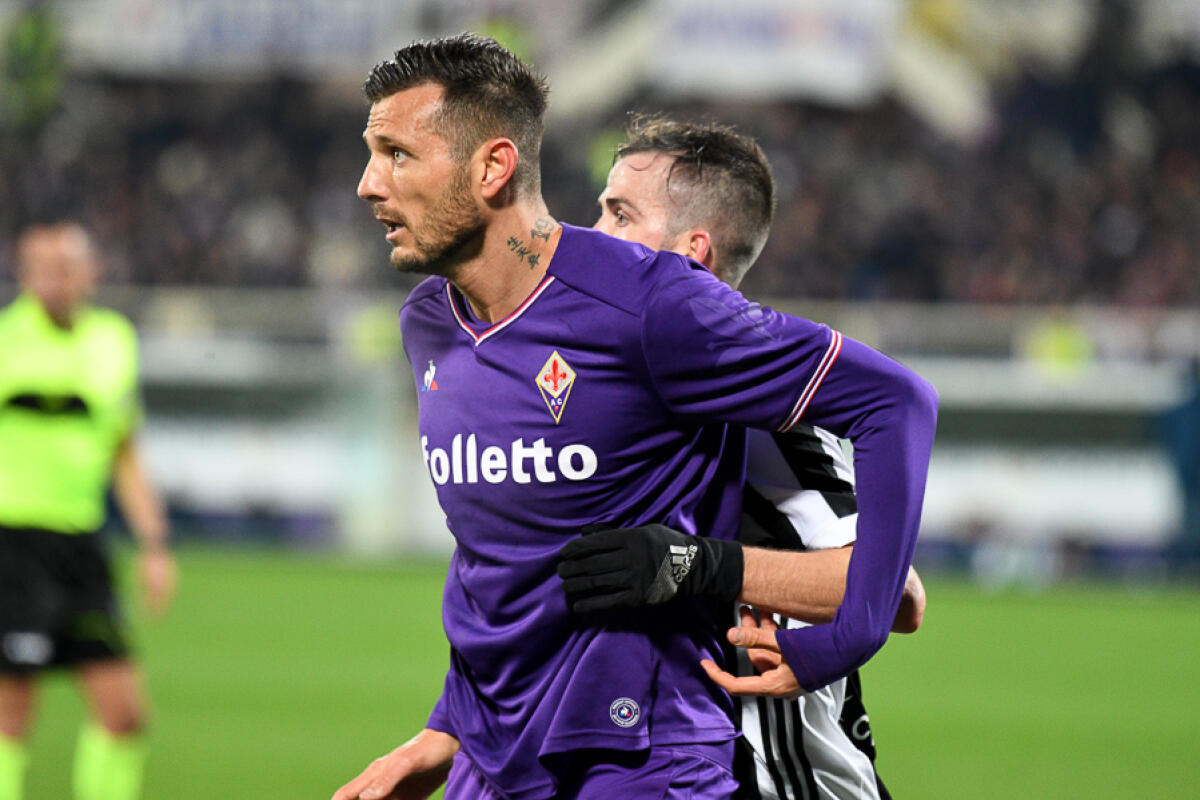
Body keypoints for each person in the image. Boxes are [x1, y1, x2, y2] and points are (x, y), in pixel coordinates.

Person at [335, 33, 936, 800]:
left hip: (690, 758)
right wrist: (445, 732)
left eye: (395, 153)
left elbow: (899, 568)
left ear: (492, 166)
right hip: (493, 759)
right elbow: (501, 562)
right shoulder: (430, 324)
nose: (367, 185)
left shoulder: (669, 325)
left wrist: (708, 571)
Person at [563, 114, 924, 799]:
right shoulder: (624, 388)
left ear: (690, 253)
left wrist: (704, 567)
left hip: (794, 784)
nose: (591, 235)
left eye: (618, 213)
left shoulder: (761, 409)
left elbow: (899, 595)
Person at [0, 222, 175, 800]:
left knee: (123, 713)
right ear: (24, 275)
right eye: (43, 268)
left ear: (90, 272)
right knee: (10, 713)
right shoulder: (5, 341)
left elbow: (123, 451)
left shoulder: (112, 340)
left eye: (67, 267)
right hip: (12, 545)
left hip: (81, 547)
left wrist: (153, 544)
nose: (55, 280)